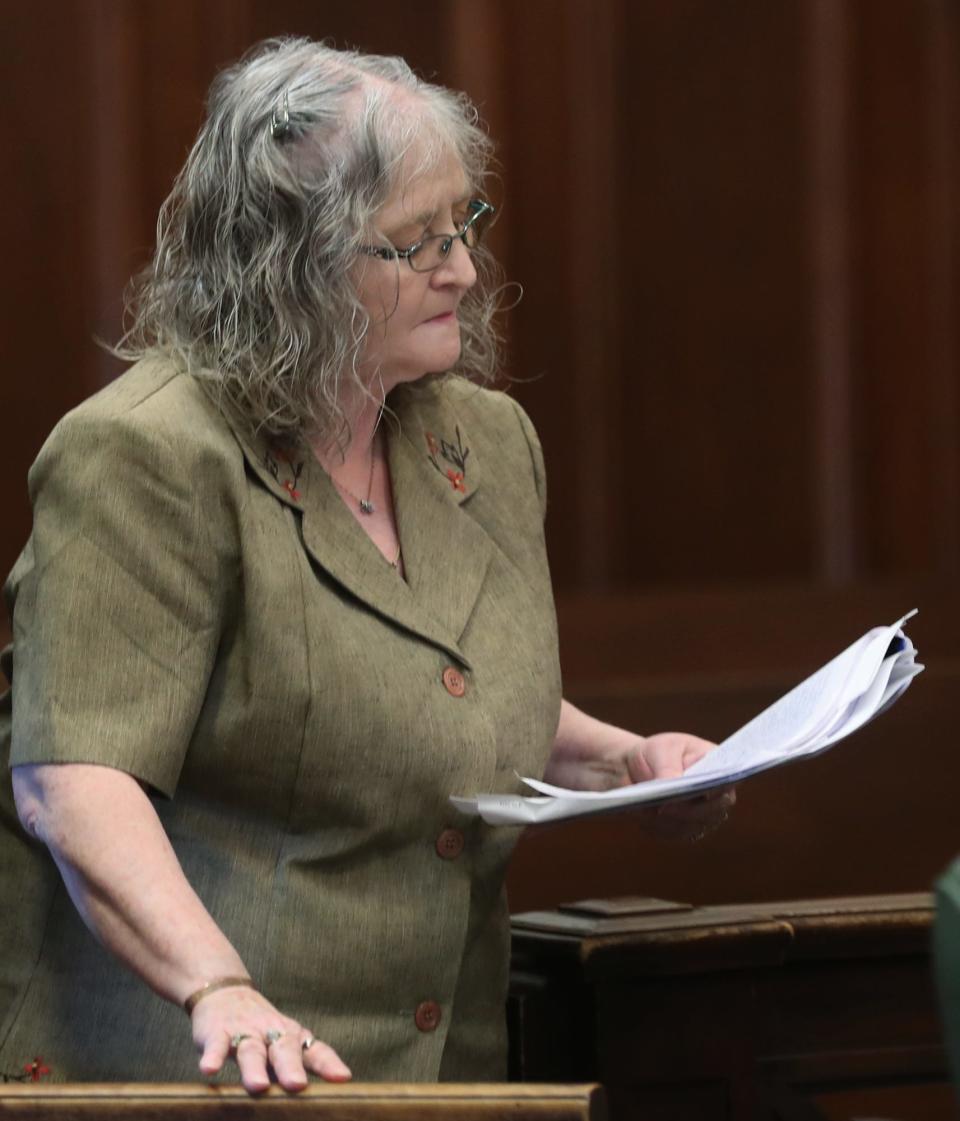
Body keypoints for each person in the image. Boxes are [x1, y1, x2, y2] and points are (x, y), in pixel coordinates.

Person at [0, 37, 731, 1093]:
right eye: (414, 245)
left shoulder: (484, 442)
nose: (467, 271)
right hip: (195, 1071)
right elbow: (74, 779)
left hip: (435, 1073)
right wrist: (218, 985)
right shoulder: (145, 454)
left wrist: (630, 764)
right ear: (288, 261)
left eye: (462, 226)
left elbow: (437, 687)